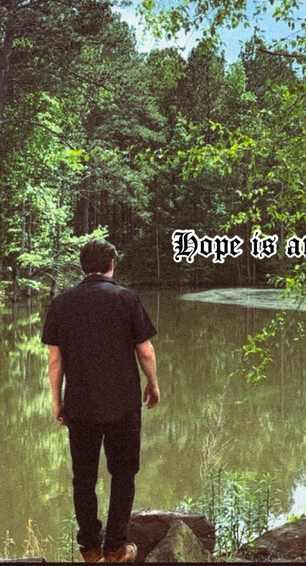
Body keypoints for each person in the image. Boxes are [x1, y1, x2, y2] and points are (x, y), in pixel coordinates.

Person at [41, 239, 160, 563]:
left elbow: (55, 360)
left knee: (83, 478)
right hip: (123, 404)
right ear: (111, 264)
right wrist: (153, 385)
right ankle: (116, 548)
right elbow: (145, 351)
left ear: (83, 266)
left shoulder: (61, 303)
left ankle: (90, 549)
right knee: (123, 474)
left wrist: (57, 401)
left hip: (80, 404)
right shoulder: (126, 298)